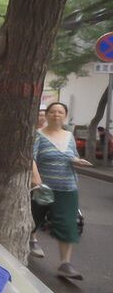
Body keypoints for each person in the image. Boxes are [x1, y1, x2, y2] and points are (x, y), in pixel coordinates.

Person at [30, 102, 91, 280]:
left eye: (60, 112)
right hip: (44, 187)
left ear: (65, 116)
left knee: (67, 224)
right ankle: (30, 240)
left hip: (67, 188)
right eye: (53, 112)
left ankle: (65, 264)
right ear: (47, 115)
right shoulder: (38, 135)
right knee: (34, 218)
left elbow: (72, 155)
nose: (57, 115)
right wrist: (36, 178)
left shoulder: (69, 135)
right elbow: (31, 158)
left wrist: (77, 161)